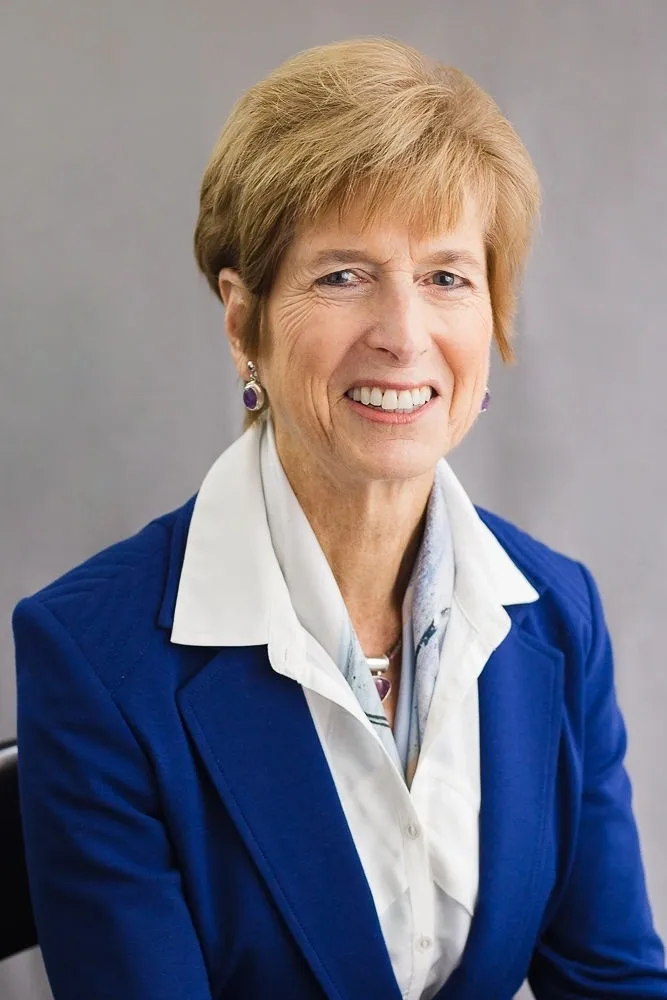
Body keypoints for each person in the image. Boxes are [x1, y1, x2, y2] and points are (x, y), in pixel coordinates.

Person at [12, 37, 667, 1000]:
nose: (403, 335)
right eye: (342, 276)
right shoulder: (95, 659)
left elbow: (613, 983)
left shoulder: (555, 616)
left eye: (447, 277)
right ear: (244, 323)